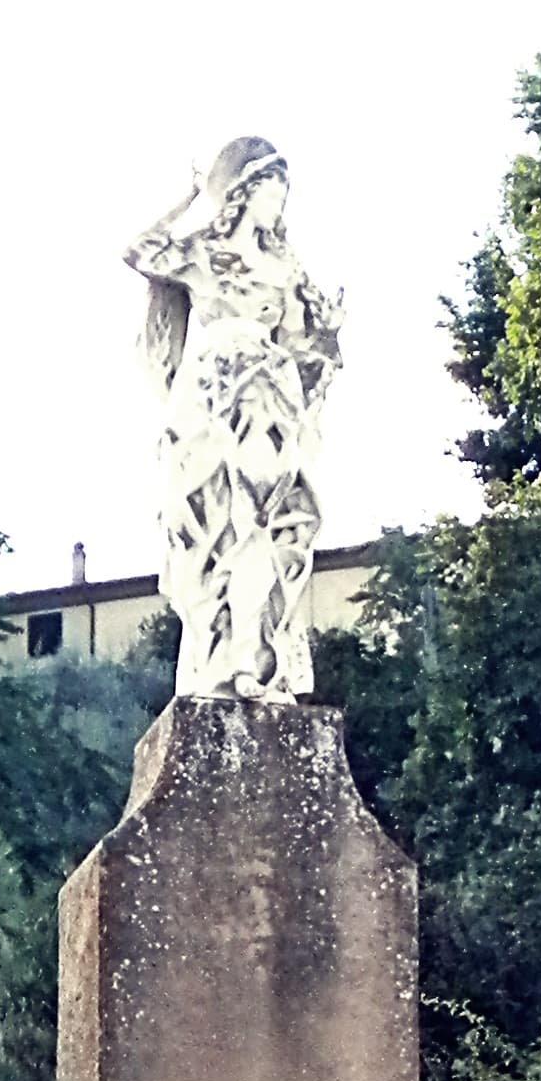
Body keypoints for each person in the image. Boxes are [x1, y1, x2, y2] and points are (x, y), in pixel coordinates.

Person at [126, 137, 343, 700]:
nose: (279, 205)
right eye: (272, 191)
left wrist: (328, 332)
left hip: (269, 394)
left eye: (284, 194)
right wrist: (190, 195)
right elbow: (140, 249)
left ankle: (252, 662)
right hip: (210, 392)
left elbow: (304, 343)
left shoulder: (284, 266)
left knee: (265, 524)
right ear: (244, 194)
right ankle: (222, 661)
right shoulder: (203, 251)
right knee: (212, 528)